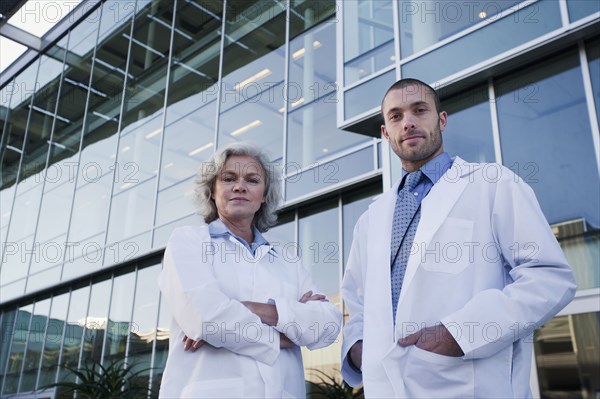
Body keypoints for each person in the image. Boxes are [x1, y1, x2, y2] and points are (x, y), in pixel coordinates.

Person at [341, 78, 576, 398]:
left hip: (470, 384)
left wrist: (459, 334)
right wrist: (358, 349)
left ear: (441, 119)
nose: (408, 122)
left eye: (419, 110)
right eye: (395, 116)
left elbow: (549, 276)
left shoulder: (493, 185)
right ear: (385, 132)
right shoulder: (371, 219)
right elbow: (356, 303)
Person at [158, 142, 342, 398]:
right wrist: (290, 333)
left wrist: (243, 308)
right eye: (229, 178)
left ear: (264, 195)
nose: (240, 186)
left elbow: (328, 325)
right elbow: (206, 319)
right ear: (212, 190)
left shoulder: (287, 259)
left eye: (252, 180)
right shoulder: (187, 242)